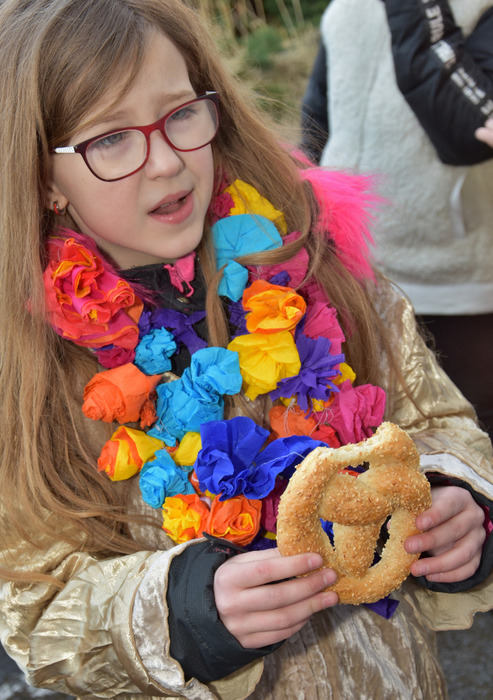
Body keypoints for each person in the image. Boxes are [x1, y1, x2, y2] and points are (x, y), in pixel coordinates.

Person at [0, 1, 492, 698]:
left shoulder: (315, 269)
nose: (166, 162)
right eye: (110, 139)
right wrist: (181, 613)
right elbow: (35, 607)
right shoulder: (30, 371)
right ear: (44, 177)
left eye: (180, 114)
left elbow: (437, 421)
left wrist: (455, 496)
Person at [301, 0, 493, 443]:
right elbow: (317, 119)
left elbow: (465, 132)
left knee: (473, 440)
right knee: (383, 443)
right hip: (355, 273)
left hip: (457, 284)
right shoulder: (346, 7)